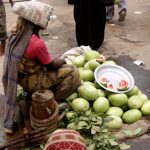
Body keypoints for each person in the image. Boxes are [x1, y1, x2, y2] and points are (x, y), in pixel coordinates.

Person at [2, 1, 81, 133]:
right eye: (47, 18)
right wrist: (63, 61)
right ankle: (50, 102)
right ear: (37, 21)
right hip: (33, 81)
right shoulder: (37, 43)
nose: (48, 20)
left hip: (20, 78)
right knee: (73, 73)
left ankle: (33, 95)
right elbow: (51, 65)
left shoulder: (15, 34)